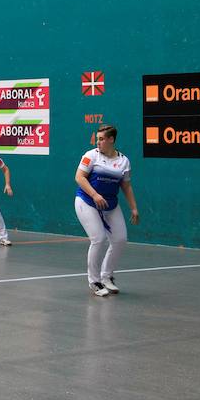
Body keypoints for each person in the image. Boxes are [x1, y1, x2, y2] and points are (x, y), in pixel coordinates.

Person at [74, 125, 139, 296]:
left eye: (102, 139)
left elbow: (126, 186)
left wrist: (134, 208)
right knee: (99, 239)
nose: (98, 142)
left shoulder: (124, 161)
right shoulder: (91, 156)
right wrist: (95, 195)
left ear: (111, 140)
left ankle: (106, 276)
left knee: (120, 239)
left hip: (110, 204)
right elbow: (79, 177)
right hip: (87, 201)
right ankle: (94, 281)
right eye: (98, 139)